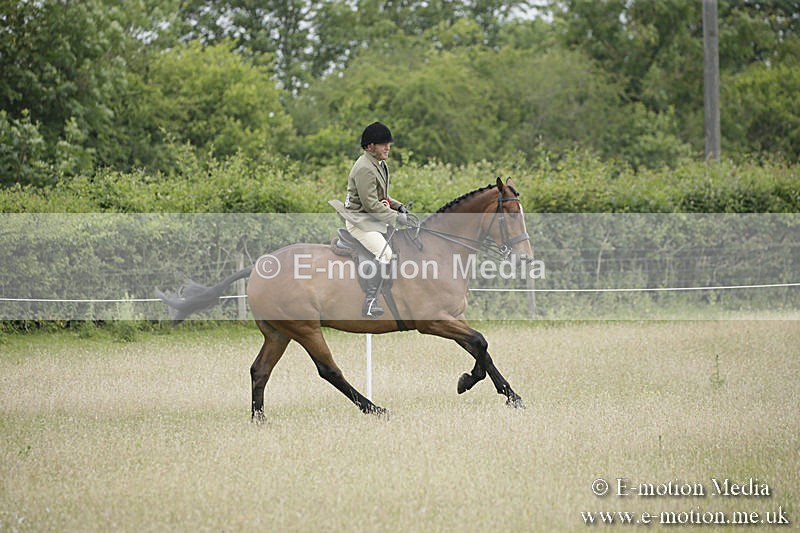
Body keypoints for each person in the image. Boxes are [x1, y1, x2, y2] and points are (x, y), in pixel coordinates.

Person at [332, 121, 408, 317]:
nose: (387, 147)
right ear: (370, 147)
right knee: (385, 254)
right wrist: (396, 217)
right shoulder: (364, 168)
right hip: (361, 223)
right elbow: (371, 205)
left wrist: (398, 206)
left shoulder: (379, 164)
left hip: (373, 219)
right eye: (383, 144)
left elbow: (381, 196)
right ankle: (370, 300)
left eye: (388, 143)